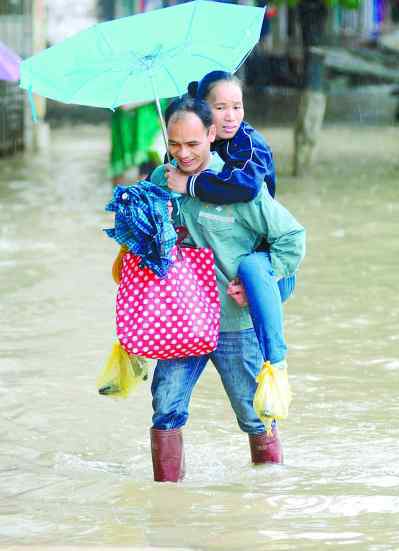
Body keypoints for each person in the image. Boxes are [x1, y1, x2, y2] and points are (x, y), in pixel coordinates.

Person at [149, 96, 305, 482]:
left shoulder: (238, 187)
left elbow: (291, 238)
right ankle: (167, 507)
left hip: (234, 322)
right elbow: (138, 239)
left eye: (193, 144)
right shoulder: (159, 182)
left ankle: (266, 499)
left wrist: (260, 281)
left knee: (255, 415)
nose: (183, 154)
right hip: (180, 324)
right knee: (165, 407)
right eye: (174, 144)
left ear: (212, 134)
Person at [165, 70, 294, 373]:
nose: (230, 117)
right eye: (220, 108)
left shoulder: (249, 144)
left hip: (264, 257)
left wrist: (191, 184)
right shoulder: (195, 145)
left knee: (249, 268)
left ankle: (276, 367)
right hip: (222, 265)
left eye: (237, 107)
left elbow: (246, 188)